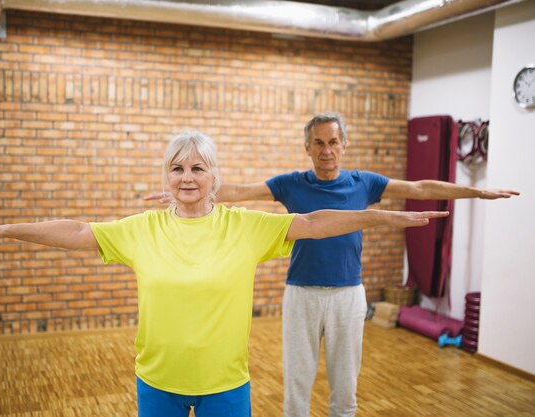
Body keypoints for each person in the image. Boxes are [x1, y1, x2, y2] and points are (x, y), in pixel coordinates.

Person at [0, 130, 448, 417]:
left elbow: (315, 223)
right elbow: (77, 231)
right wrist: (8, 229)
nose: (187, 178)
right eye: (178, 169)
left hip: (226, 385)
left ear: (215, 178)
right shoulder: (140, 229)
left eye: (198, 169)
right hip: (157, 382)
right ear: (167, 177)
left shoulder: (246, 226)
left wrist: (380, 216)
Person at [145, 115, 520, 417]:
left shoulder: (365, 183)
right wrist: (188, 188)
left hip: (347, 295)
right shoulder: (290, 183)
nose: (327, 150)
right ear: (307, 147)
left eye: (334, 141)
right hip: (301, 293)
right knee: (297, 383)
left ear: (344, 145)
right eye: (319, 143)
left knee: (345, 383)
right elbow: (238, 191)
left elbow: (419, 188)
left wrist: (476, 191)